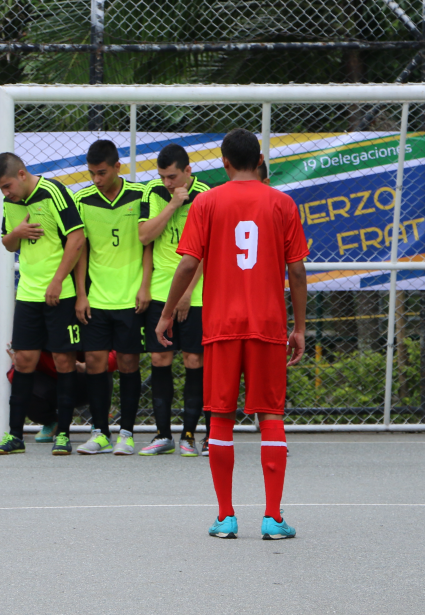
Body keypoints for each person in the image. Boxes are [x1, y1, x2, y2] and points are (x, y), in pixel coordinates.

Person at [156, 129, 309, 541]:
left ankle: (225, 517)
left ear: (224, 163)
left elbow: (188, 266)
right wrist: (299, 327)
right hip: (268, 325)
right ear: (259, 160)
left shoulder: (206, 202)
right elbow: (296, 271)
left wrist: (168, 313)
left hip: (221, 326)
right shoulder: (282, 203)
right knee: (271, 416)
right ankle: (273, 518)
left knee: (220, 417)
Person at [0, 152, 86, 456]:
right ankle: (15, 436)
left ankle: (64, 434)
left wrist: (58, 280)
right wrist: (14, 234)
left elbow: (77, 238)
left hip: (61, 292)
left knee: (63, 361)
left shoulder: (54, 192)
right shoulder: (12, 203)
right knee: (23, 361)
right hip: (28, 294)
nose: (6, 193)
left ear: (21, 174)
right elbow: (8, 243)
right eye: (1, 189)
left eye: (7, 186)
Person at [73, 140, 151, 456]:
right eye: (91, 173)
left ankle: (127, 433)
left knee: (129, 362)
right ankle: (100, 431)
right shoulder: (82, 200)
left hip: (131, 296)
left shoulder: (141, 195)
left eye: (102, 172)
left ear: (118, 167)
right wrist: (81, 294)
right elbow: (81, 249)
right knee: (94, 362)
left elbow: (149, 245)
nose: (96, 179)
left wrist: (145, 286)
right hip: (97, 297)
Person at [139, 144, 212, 457]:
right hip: (158, 292)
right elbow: (144, 236)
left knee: (195, 361)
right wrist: (172, 204)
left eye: (172, 177)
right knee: (160, 360)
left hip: (195, 294)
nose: (167, 182)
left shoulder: (208, 196)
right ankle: (162, 434)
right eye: (163, 176)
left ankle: (190, 435)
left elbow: (209, 252)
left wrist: (185, 294)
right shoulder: (153, 193)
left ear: (188, 171)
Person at [6, 348, 116, 436]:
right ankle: (52, 422)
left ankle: (99, 422)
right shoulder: (33, 337)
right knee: (23, 384)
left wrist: (87, 366)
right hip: (51, 385)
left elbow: (116, 356)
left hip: (82, 379)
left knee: (101, 365)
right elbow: (13, 377)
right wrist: (20, 367)